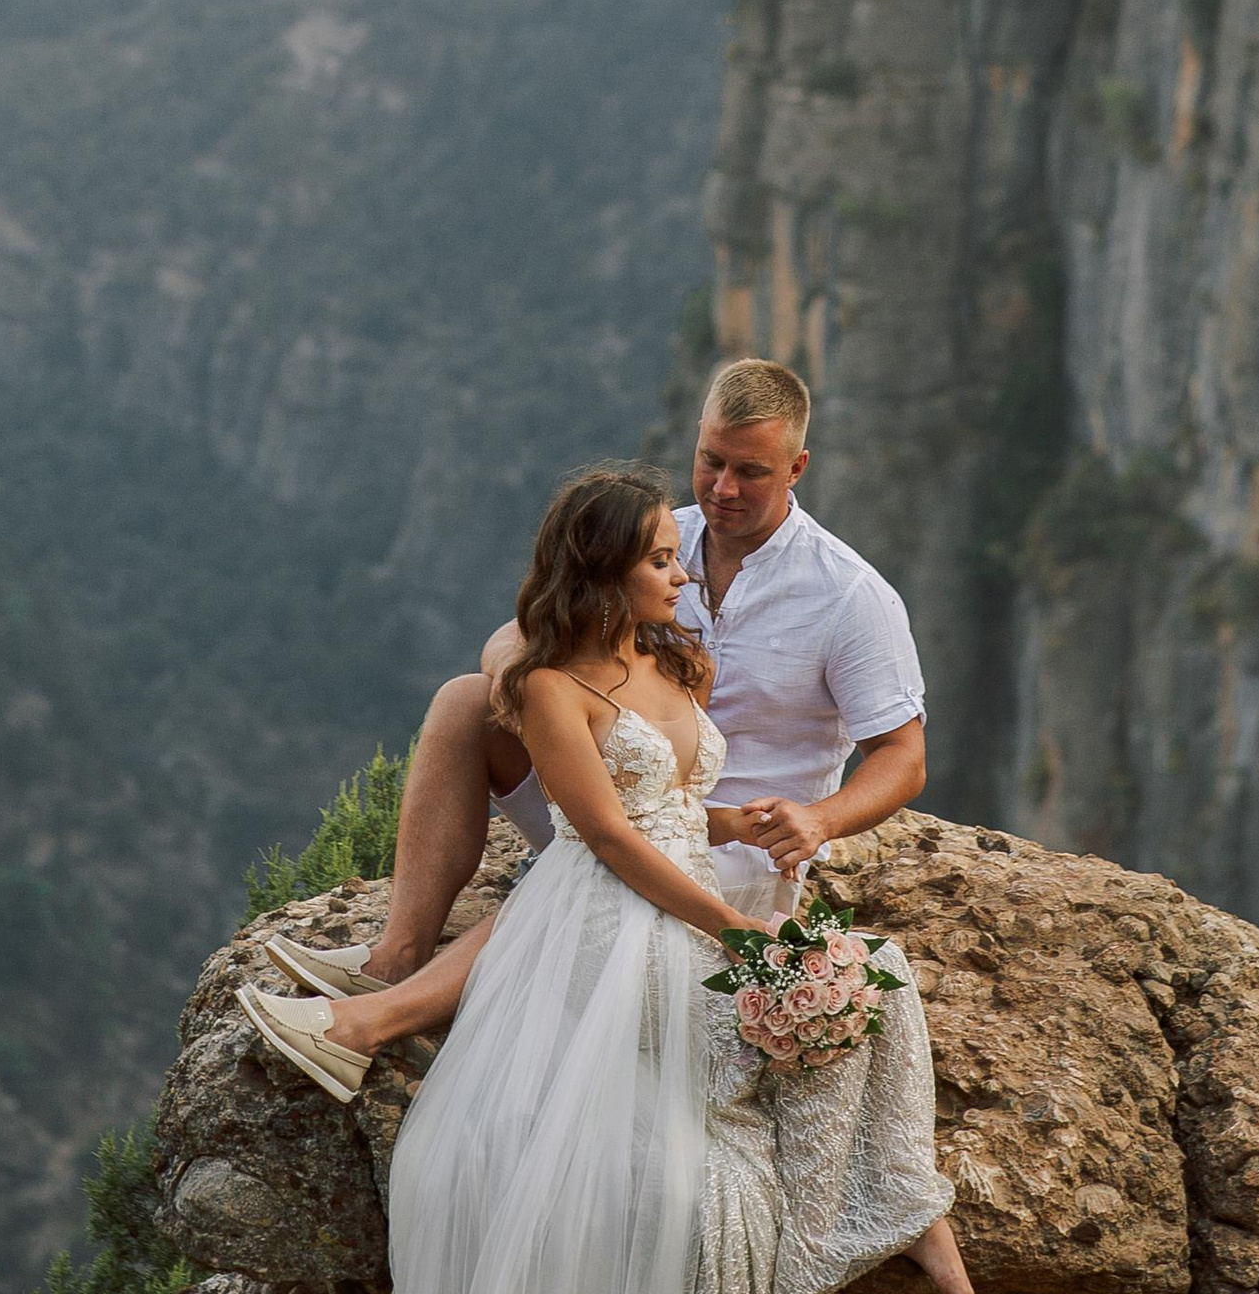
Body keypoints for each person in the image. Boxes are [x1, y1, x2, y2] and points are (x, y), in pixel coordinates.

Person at [240, 461, 973, 1294]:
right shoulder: (553, 689)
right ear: (601, 571)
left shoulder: (688, 662)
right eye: (661, 560)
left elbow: (677, 805)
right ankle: (386, 982)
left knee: (873, 982)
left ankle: (908, 1215)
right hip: (613, 904)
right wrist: (731, 930)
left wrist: (750, 823)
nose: (683, 570)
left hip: (694, 870)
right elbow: (611, 837)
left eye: (675, 555)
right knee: (783, 1036)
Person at [250, 359, 932, 1037]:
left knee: (587, 867)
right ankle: (397, 956)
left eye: (750, 471)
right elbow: (516, 633)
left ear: (796, 468)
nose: (723, 488)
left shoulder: (850, 596)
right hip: (605, 797)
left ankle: (371, 1024)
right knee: (466, 701)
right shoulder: (658, 538)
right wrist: (530, 691)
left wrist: (818, 821)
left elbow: (903, 758)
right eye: (710, 461)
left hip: (733, 841)